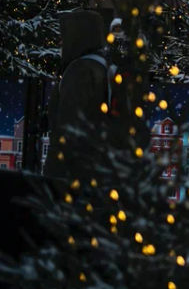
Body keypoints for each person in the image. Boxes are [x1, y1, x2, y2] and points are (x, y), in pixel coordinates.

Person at [45, 10, 135, 180]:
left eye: (64, 35)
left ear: (76, 36)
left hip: (75, 176)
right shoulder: (105, 66)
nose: (60, 42)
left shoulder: (79, 71)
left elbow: (68, 131)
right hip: (102, 172)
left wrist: (52, 178)